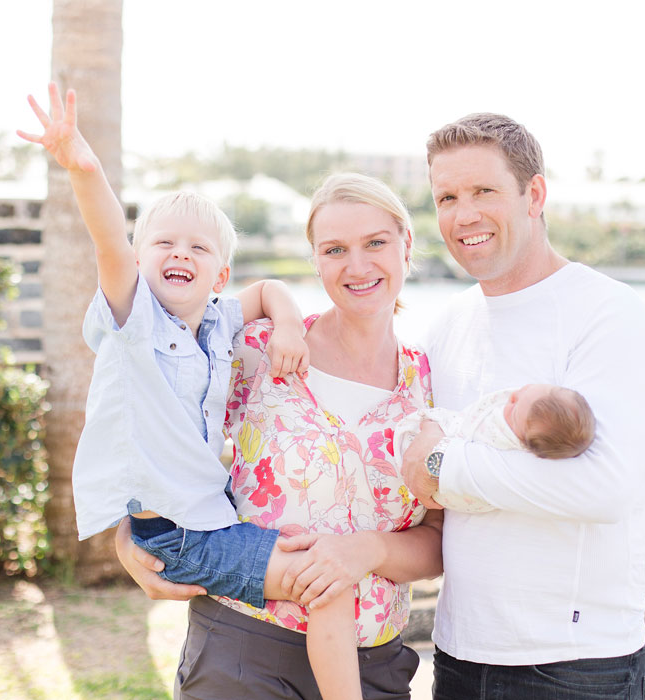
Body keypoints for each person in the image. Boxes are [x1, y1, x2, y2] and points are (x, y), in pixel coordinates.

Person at [18, 84, 373, 700]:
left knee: (328, 582)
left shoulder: (213, 320)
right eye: (163, 243)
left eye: (198, 248)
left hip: (206, 522)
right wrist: (83, 164)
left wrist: (289, 324)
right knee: (329, 586)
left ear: (218, 273)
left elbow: (265, 292)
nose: (179, 253)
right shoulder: (135, 323)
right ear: (138, 257)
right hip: (177, 535)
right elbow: (106, 235)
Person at [115, 172, 445, 700]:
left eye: (376, 243)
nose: (357, 266)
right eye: (335, 249)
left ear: (407, 245)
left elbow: (437, 543)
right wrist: (131, 531)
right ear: (315, 260)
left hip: (372, 669)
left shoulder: (431, 382)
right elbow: (146, 408)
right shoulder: (257, 348)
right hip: (242, 653)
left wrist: (367, 550)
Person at [400, 114, 645, 699]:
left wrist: (443, 465)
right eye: (447, 197)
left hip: (575, 665)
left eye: (483, 191)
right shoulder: (448, 324)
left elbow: (606, 488)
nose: (462, 214)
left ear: (535, 195)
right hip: (459, 651)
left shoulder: (607, 314)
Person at [394, 384, 595, 511]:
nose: (512, 398)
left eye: (514, 412)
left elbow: (458, 429)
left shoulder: (499, 441)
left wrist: (432, 428)